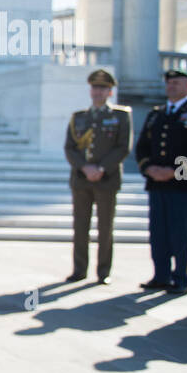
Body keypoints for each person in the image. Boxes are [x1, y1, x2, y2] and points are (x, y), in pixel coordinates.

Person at [136, 68, 187, 295]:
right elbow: (143, 146)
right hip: (156, 182)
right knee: (158, 232)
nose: (172, 87)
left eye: (178, 83)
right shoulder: (155, 114)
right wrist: (149, 168)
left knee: (182, 233)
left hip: (183, 183)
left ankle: (181, 278)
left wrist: (173, 171)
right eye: (170, 83)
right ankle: (160, 275)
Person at [64, 69, 132, 284]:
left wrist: (101, 168)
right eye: (95, 88)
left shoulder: (120, 116)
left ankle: (103, 272)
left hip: (106, 179)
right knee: (80, 227)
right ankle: (79, 269)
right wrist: (85, 168)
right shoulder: (79, 117)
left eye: (103, 88)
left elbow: (123, 147)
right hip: (82, 179)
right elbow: (70, 148)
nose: (98, 92)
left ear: (110, 92)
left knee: (105, 228)